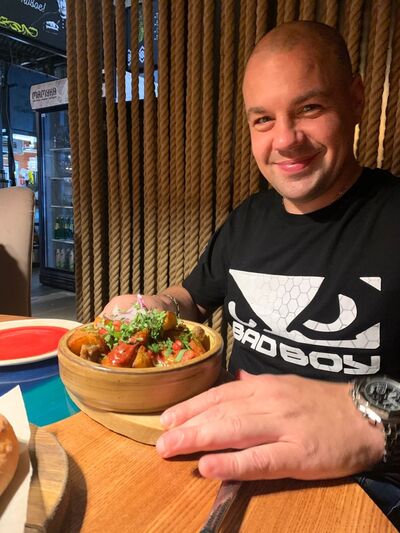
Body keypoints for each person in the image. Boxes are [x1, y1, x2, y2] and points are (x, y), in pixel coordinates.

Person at [103, 21, 400, 525]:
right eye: (263, 119)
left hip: (365, 487)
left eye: (309, 108)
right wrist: (158, 306)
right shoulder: (248, 219)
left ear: (356, 100)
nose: (285, 139)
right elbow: (193, 298)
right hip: (222, 460)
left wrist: (369, 417)